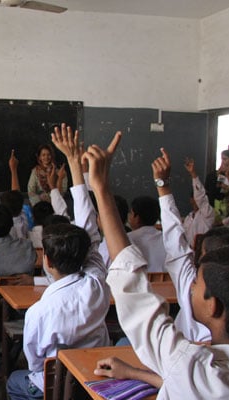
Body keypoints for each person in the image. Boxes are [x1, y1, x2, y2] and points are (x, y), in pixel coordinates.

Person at [88, 134, 229, 398]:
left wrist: (101, 189)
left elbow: (134, 291)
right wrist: (135, 373)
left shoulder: (192, 363)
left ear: (214, 306)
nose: (190, 286)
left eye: (196, 283)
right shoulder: (193, 367)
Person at [7, 124, 110, 400]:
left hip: (56, 384)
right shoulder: (98, 287)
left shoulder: (39, 313)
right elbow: (90, 230)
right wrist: (77, 166)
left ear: (47, 260)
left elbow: (35, 363)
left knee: (15, 381)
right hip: (96, 374)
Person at [154, 149, 211, 342]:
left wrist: (164, 186)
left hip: (186, 262)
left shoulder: (207, 215)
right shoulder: (188, 219)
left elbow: (176, 245)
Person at [127, 196, 166, 272]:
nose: (129, 217)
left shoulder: (127, 239)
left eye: (131, 213)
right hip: (166, 283)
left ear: (137, 218)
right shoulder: (166, 238)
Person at [182, 157, 215, 246]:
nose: (197, 199)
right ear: (191, 200)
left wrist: (193, 174)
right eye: (194, 198)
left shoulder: (207, 214)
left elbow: (200, 198)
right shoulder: (188, 218)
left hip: (202, 254)